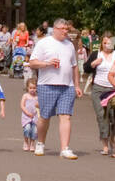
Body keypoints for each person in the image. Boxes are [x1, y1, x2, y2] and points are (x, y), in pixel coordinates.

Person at [28, 17, 82, 159]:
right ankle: (40, 143)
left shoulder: (70, 45)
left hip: (67, 86)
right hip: (47, 85)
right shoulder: (44, 43)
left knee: (66, 117)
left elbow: (74, 66)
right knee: (44, 117)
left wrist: (76, 85)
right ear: (55, 29)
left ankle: (65, 148)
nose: (66, 31)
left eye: (67, 29)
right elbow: (32, 63)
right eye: (63, 29)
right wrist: (47, 63)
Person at [88, 31, 115, 155]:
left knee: (113, 117)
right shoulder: (96, 54)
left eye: (109, 42)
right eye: (104, 42)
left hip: (113, 89)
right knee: (102, 116)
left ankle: (114, 141)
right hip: (98, 89)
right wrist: (93, 64)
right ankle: (105, 145)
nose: (107, 45)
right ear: (101, 43)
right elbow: (85, 68)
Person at [20, 78, 39, 150]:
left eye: (34, 88)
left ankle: (32, 143)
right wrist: (27, 113)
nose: (32, 89)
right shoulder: (25, 96)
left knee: (34, 131)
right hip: (26, 116)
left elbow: (39, 106)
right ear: (27, 88)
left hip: (35, 116)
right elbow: (22, 105)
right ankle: (25, 142)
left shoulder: (37, 97)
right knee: (27, 129)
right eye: (30, 88)